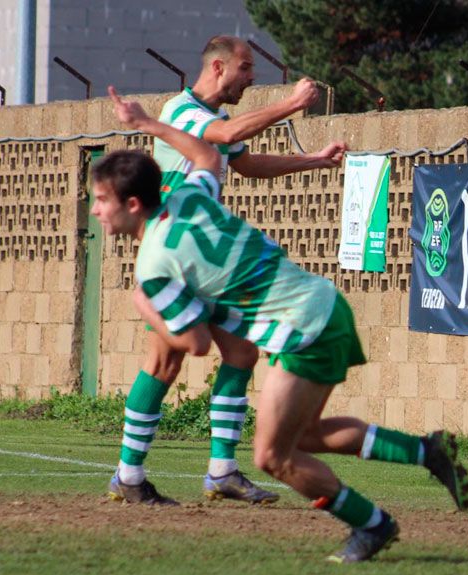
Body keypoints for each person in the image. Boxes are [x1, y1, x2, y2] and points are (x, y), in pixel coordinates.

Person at [94, 86, 468, 563]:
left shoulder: (153, 266)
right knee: (306, 437)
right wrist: (147, 124)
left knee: (273, 457)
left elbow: (192, 343)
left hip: (303, 328)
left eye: (102, 199)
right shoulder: (192, 197)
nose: (95, 209)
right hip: (322, 306)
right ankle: (426, 453)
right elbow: (207, 154)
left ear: (132, 205)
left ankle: (373, 524)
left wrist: (144, 305)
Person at [109, 35, 350, 506]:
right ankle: (128, 475)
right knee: (165, 361)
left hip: (205, 259)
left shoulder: (214, 118)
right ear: (218, 67)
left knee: (241, 355)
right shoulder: (180, 111)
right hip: (173, 257)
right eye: (245, 68)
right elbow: (229, 137)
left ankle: (222, 471)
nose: (251, 77)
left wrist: (313, 160)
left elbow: (247, 163)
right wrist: (293, 103)